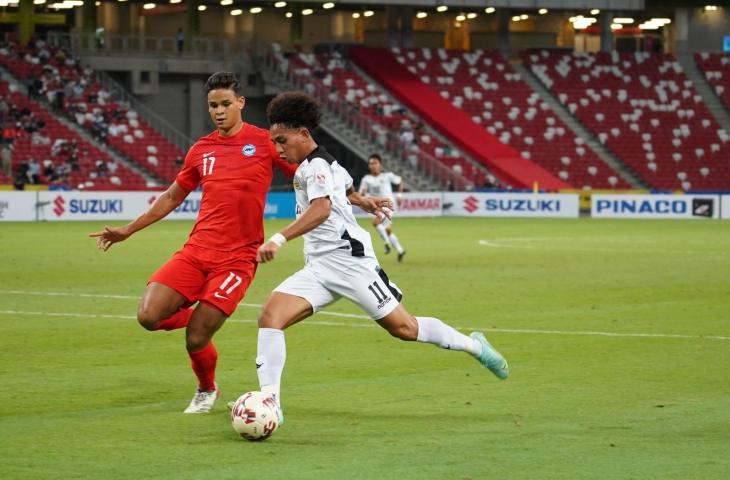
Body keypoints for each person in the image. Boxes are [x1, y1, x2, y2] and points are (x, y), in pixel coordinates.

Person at [248, 92, 509, 418]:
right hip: (318, 269)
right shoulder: (320, 163)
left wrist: (277, 239)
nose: (278, 148)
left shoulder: (316, 166)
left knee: (405, 329)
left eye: (282, 140)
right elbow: (344, 189)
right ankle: (270, 404)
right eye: (274, 141)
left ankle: (475, 345)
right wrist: (364, 201)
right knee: (270, 318)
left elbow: (322, 208)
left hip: (353, 265)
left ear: (303, 134)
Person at [89, 72, 297, 414]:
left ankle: (206, 388)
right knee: (148, 316)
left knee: (197, 338)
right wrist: (129, 229)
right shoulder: (201, 149)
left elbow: (305, 172)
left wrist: (351, 197)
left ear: (241, 103)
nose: (218, 111)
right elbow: (172, 195)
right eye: (213, 105)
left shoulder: (263, 142)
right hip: (197, 250)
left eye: (225, 104)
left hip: (238, 259)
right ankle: (193, 315)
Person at [358, 153, 407, 261]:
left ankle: (386, 243)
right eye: (371, 163)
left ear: (380, 165)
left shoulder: (387, 176)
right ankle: (400, 250)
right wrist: (363, 197)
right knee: (387, 231)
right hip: (375, 207)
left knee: (376, 222)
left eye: (375, 163)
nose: (373, 165)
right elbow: (361, 193)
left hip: (388, 205)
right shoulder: (366, 179)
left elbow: (400, 182)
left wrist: (399, 195)